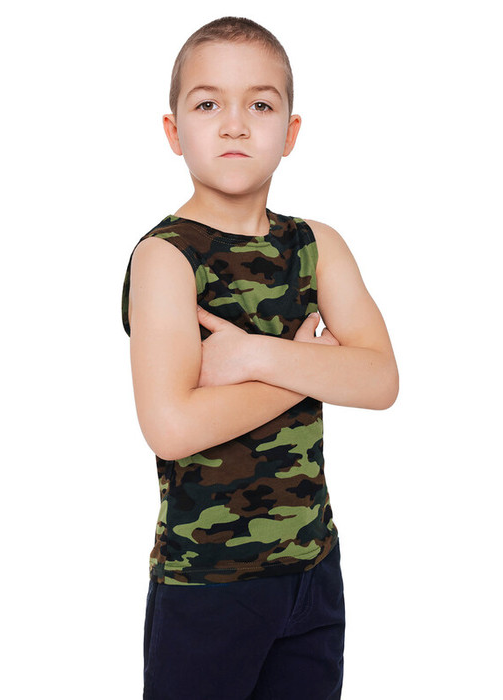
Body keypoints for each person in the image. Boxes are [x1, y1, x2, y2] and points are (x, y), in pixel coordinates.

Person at [121, 15, 398, 700]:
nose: (235, 125)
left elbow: (380, 379)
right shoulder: (166, 257)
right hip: (208, 584)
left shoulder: (316, 245)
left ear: (290, 133)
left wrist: (250, 356)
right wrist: (304, 368)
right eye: (208, 104)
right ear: (173, 131)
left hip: (313, 569)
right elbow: (171, 427)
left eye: (261, 105)